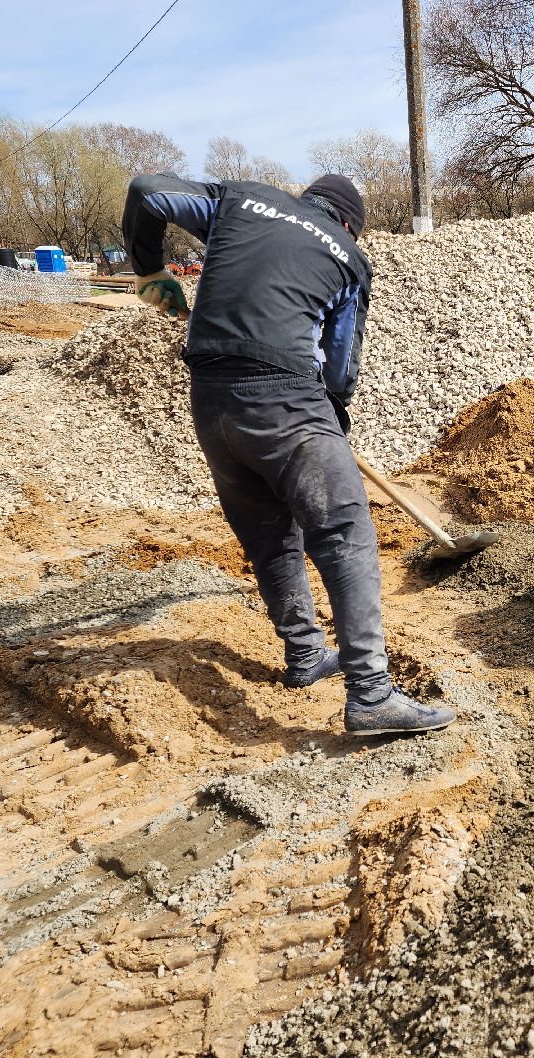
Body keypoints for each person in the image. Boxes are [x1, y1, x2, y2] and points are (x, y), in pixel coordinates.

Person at [121, 171, 454, 736]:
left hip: (212, 403)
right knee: (345, 532)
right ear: (350, 225)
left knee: (271, 536)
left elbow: (146, 191)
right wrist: (331, 424)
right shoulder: (348, 257)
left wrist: (149, 272)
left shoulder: (240, 203)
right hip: (288, 401)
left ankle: (305, 654)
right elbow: (341, 364)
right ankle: (371, 694)